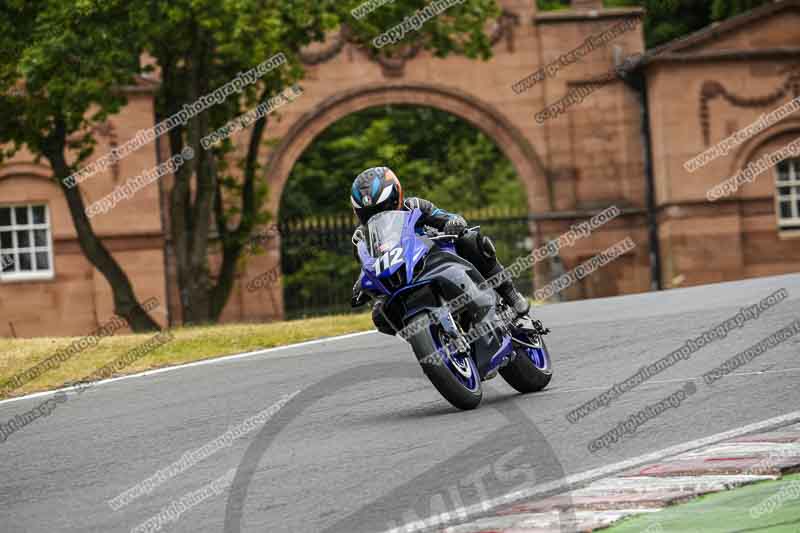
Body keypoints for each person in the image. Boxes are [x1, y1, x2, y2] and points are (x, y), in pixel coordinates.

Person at [349, 166, 531, 335]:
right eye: (369, 213)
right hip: (401, 279)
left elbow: (446, 217)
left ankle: (511, 296)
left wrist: (454, 223)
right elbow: (369, 263)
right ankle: (426, 335)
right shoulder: (362, 236)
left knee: (471, 241)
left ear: (396, 197)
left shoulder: (414, 206)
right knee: (380, 315)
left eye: (383, 207)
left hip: (434, 260)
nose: (379, 215)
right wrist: (361, 283)